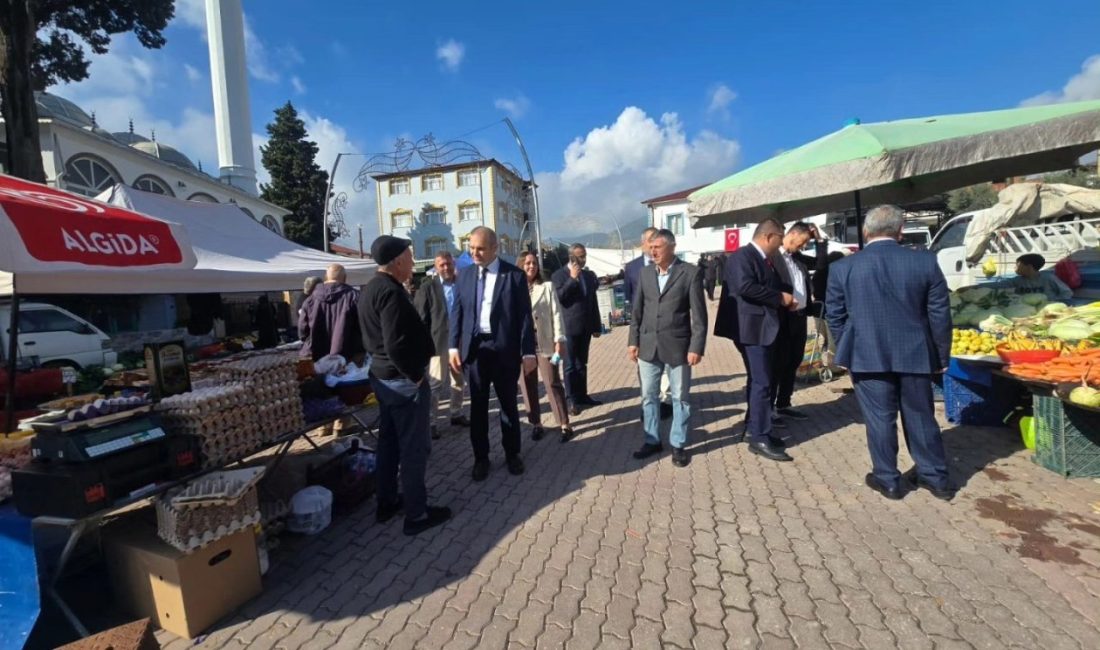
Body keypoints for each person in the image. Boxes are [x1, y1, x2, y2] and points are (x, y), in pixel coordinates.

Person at [826, 205, 954, 501]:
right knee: (921, 416)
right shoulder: (924, 262)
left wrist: (847, 346)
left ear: (866, 232)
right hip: (916, 353)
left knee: (880, 418)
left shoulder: (843, 267)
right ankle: (935, 477)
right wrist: (942, 356)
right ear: (900, 232)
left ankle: (888, 479)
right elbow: (939, 314)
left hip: (865, 354)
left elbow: (834, 315)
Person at [358, 236, 451, 535]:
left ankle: (386, 502)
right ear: (397, 261)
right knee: (413, 449)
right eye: (409, 256)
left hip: (384, 379)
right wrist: (416, 376)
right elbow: (396, 344)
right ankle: (417, 514)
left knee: (388, 443)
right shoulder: (390, 293)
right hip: (401, 382)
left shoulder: (371, 288)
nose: (412, 262)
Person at [449, 226, 537, 481]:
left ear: (494, 249)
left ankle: (512, 454)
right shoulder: (463, 275)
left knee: (508, 404)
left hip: (504, 352)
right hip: (475, 352)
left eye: (480, 249)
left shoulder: (514, 276)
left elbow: (523, 318)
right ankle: (481, 458)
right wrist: (453, 347)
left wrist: (528, 352)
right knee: (477, 408)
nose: (474, 252)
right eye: (471, 247)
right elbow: (457, 312)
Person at [714, 219, 797, 463]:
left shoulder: (763, 258)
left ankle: (758, 427)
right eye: (781, 238)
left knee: (761, 381)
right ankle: (759, 436)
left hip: (762, 328)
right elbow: (745, 287)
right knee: (762, 382)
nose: (782, 244)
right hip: (751, 329)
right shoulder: (743, 256)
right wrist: (780, 298)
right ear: (769, 236)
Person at [627, 229, 707, 467]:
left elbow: (699, 316)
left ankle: (678, 444)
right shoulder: (644, 274)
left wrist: (697, 346)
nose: (653, 252)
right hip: (648, 345)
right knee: (648, 397)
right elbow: (637, 311)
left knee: (680, 399)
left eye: (658, 247)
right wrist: (633, 341)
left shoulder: (690, 273)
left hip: (678, 346)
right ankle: (652, 440)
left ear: (672, 247)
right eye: (651, 248)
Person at [517, 251, 574, 443]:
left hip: (544, 341)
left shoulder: (547, 287)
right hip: (523, 346)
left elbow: (556, 314)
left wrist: (560, 340)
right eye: (527, 263)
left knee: (552, 382)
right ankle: (536, 424)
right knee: (527, 385)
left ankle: (564, 424)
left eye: (534, 263)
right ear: (520, 266)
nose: (531, 266)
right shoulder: (514, 288)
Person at [415, 251, 470, 439]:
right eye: (442, 265)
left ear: (453, 264)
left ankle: (456, 413)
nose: (446, 267)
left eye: (448, 264)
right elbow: (421, 319)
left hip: (461, 342)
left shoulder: (462, 284)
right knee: (435, 385)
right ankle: (430, 422)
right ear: (436, 267)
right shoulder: (427, 288)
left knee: (459, 381)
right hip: (436, 345)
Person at [769, 223, 820, 424]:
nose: (804, 245)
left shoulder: (797, 259)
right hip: (782, 318)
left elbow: (821, 263)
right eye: (804, 241)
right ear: (793, 234)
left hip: (800, 317)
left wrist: (820, 241)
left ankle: (784, 403)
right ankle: (769, 407)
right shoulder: (773, 257)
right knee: (778, 364)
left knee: (793, 361)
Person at [622, 227, 672, 420]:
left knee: (667, 364)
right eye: (650, 241)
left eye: (657, 240)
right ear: (643, 243)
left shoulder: (668, 265)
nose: (654, 245)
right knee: (645, 366)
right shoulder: (633, 268)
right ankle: (648, 403)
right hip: (643, 327)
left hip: (667, 325)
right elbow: (629, 296)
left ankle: (665, 402)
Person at [551, 243, 602, 415]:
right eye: (580, 256)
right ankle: (571, 399)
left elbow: (592, 302)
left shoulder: (588, 275)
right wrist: (572, 279)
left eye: (585, 255)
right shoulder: (559, 275)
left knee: (582, 364)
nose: (583, 259)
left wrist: (596, 326)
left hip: (585, 327)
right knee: (570, 365)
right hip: (568, 329)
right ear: (571, 257)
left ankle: (582, 396)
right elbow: (559, 298)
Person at [298, 264, 364, 362]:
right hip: (347, 357)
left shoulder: (310, 300)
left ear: (326, 277)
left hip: (316, 356)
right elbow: (364, 326)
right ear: (345, 278)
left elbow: (303, 331)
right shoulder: (355, 297)